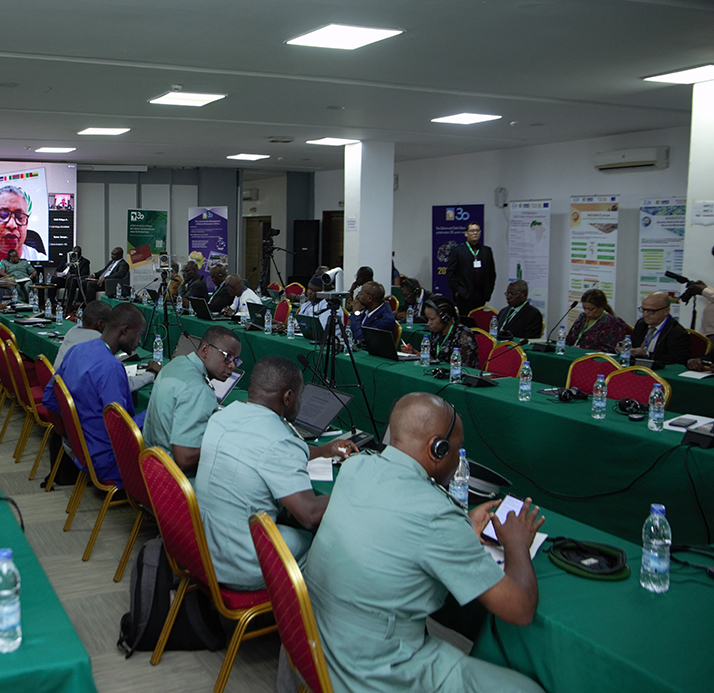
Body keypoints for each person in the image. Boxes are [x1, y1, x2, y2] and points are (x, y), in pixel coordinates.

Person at [304, 392, 546, 693]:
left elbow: (395, 534)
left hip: (315, 644)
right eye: (457, 449)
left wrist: (460, 531)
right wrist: (516, 544)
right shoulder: (437, 515)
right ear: (438, 448)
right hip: (371, 673)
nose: (458, 457)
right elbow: (520, 610)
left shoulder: (355, 468)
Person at [193, 356, 356, 590]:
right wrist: (353, 490)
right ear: (288, 397)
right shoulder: (278, 442)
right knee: (325, 545)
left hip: (205, 547)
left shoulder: (223, 416)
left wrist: (322, 450)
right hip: (241, 564)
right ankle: (313, 620)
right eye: (299, 396)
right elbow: (308, 513)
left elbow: (265, 448)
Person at [42, 303, 156, 486]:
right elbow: (122, 431)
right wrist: (154, 412)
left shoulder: (77, 350)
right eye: (140, 334)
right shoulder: (111, 367)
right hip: (106, 460)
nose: (140, 342)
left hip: (78, 447)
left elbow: (50, 397)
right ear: (125, 331)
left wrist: (73, 432)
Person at [143, 326, 241, 475]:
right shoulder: (199, 390)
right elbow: (185, 458)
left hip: (152, 467)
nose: (232, 365)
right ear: (205, 349)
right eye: (228, 356)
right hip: (176, 481)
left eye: (236, 360)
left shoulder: (177, 363)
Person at [53, 299, 158, 391]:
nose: (139, 341)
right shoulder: (109, 364)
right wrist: (150, 374)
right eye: (139, 334)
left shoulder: (75, 346)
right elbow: (117, 400)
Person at [0, 184, 47, 261]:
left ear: (26, 223)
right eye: (3, 215)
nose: (12, 224)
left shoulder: (40, 261)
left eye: (20, 217)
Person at [446, 223, 497, 317]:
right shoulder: (457, 251)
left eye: (477, 230)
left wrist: (488, 291)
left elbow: (492, 273)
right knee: (466, 322)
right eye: (472, 231)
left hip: (481, 295)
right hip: (464, 294)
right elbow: (450, 273)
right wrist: (457, 291)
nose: (475, 233)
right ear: (466, 233)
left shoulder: (486, 251)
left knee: (478, 320)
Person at [631, 291, 690, 365]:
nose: (645, 314)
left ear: (666, 311)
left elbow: (676, 361)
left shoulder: (676, 332)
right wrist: (624, 347)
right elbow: (633, 345)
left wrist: (647, 354)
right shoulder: (641, 324)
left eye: (651, 311)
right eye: (643, 309)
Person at [424, 295, 479, 367]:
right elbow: (433, 356)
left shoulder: (464, 336)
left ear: (445, 318)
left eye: (432, 319)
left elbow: (464, 368)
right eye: (428, 319)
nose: (429, 323)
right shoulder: (437, 332)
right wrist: (416, 353)